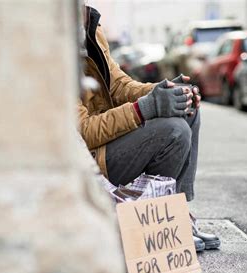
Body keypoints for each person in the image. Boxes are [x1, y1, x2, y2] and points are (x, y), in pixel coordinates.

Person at [78, 6, 220, 251]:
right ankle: (156, 225)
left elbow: (119, 85)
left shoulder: (91, 23)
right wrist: (144, 108)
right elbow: (82, 132)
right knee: (174, 130)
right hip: (86, 159)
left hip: (107, 142)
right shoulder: (50, 41)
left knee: (186, 109)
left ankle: (178, 214)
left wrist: (161, 92)